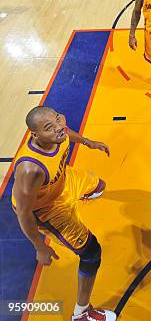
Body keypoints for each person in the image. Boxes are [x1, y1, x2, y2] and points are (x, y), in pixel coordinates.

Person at [12, 106, 116, 321]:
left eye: (58, 118)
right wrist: (39, 246)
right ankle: (81, 313)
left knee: (100, 186)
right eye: (49, 127)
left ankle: (77, 197)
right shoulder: (31, 170)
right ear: (36, 135)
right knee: (91, 253)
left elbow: (67, 132)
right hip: (46, 209)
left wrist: (89, 142)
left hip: (63, 181)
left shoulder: (58, 132)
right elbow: (23, 213)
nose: (59, 127)